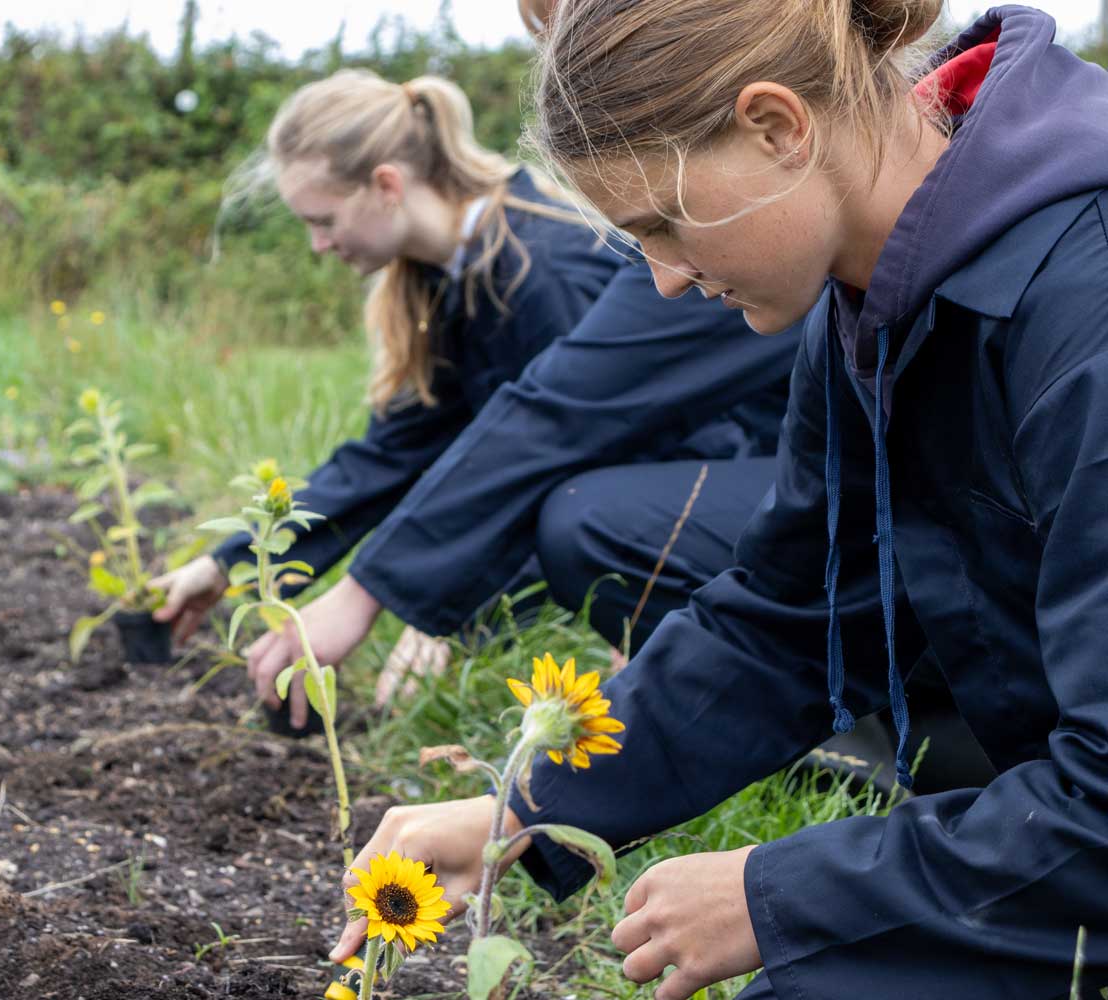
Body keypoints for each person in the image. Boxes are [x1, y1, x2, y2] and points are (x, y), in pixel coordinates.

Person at [331, 3, 1108, 998]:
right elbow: (785, 617)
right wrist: (522, 808)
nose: (659, 280)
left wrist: (781, 892)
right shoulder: (877, 295)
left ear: (776, 126)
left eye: (662, 224)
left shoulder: (1081, 291)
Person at [151, 68, 801, 736]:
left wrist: (449, 613)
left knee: (584, 516)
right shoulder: (443, 280)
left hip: (751, 488)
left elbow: (585, 448)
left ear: (386, 185)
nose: (318, 245)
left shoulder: (544, 267)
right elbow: (392, 453)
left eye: (323, 221)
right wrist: (231, 561)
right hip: (623, 502)